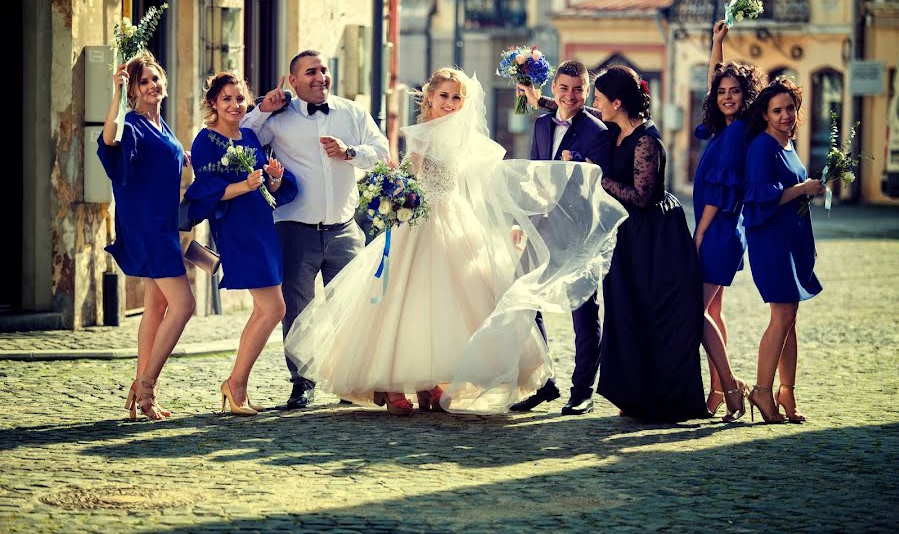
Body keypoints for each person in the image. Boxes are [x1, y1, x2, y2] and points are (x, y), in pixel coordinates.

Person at [282, 68, 627, 415]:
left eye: (456, 97)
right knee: (410, 301)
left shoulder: (466, 139)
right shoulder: (421, 135)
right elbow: (409, 175)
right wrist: (396, 197)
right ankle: (394, 383)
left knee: (453, 302)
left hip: (456, 218)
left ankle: (432, 381)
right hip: (419, 221)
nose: (449, 103)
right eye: (444, 95)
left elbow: (484, 181)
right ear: (429, 97)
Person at [241, 50, 390, 410]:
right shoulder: (276, 119)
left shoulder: (351, 112)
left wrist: (350, 152)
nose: (320, 77)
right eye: (310, 72)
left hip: (344, 229)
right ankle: (302, 382)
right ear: (293, 80)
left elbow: (383, 152)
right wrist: (264, 108)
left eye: (323, 70)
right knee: (297, 311)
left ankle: (347, 382)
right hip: (295, 229)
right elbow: (243, 134)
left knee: (351, 309)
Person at [592, 65, 709, 422]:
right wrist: (539, 99)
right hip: (627, 236)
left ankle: (662, 399)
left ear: (617, 102)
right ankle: (633, 394)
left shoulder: (646, 140)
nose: (594, 106)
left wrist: (599, 179)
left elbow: (642, 196)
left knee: (653, 314)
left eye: (599, 99)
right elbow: (575, 112)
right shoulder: (613, 128)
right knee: (624, 312)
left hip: (654, 239)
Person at [183, 72, 298, 415]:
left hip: (262, 225)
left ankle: (237, 387)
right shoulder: (205, 140)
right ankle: (235, 384)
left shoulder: (249, 136)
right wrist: (243, 186)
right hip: (236, 229)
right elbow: (207, 191)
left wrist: (273, 179)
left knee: (267, 309)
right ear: (214, 104)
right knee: (274, 308)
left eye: (239, 99)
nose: (234, 105)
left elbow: (266, 187)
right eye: (227, 99)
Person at [510, 61, 612, 415]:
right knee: (525, 300)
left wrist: (578, 163)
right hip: (541, 228)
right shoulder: (540, 124)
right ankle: (544, 382)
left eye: (579, 89)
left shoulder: (599, 131)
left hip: (579, 233)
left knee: (583, 311)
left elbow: (601, 188)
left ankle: (582, 390)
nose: (571, 96)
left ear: (587, 91)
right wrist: (523, 218)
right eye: (565, 88)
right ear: (553, 88)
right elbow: (534, 173)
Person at [98, 51, 195, 421]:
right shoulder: (132, 122)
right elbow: (109, 141)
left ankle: (145, 396)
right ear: (134, 91)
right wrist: (116, 96)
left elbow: (160, 158)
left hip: (164, 224)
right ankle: (147, 384)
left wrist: (181, 155)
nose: (153, 86)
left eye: (156, 79)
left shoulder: (161, 125)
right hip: (147, 226)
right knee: (184, 306)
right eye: (144, 82)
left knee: (156, 308)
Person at [692, 21, 767, 420]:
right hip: (726, 233)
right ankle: (717, 391)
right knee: (713, 313)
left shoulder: (738, 133)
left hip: (716, 230)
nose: (725, 97)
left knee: (695, 311)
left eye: (734, 91)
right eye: (722, 92)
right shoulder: (726, 127)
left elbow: (720, 191)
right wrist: (717, 44)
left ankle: (732, 386)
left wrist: (699, 234)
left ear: (746, 96)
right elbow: (713, 86)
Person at [743, 78, 823, 423]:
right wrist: (803, 187)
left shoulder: (788, 144)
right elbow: (761, 194)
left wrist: (808, 189)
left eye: (790, 108)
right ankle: (762, 390)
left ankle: (786, 392)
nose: (785, 115)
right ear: (765, 114)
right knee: (782, 317)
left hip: (791, 239)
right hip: (771, 241)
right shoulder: (762, 147)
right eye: (777, 110)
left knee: (791, 319)